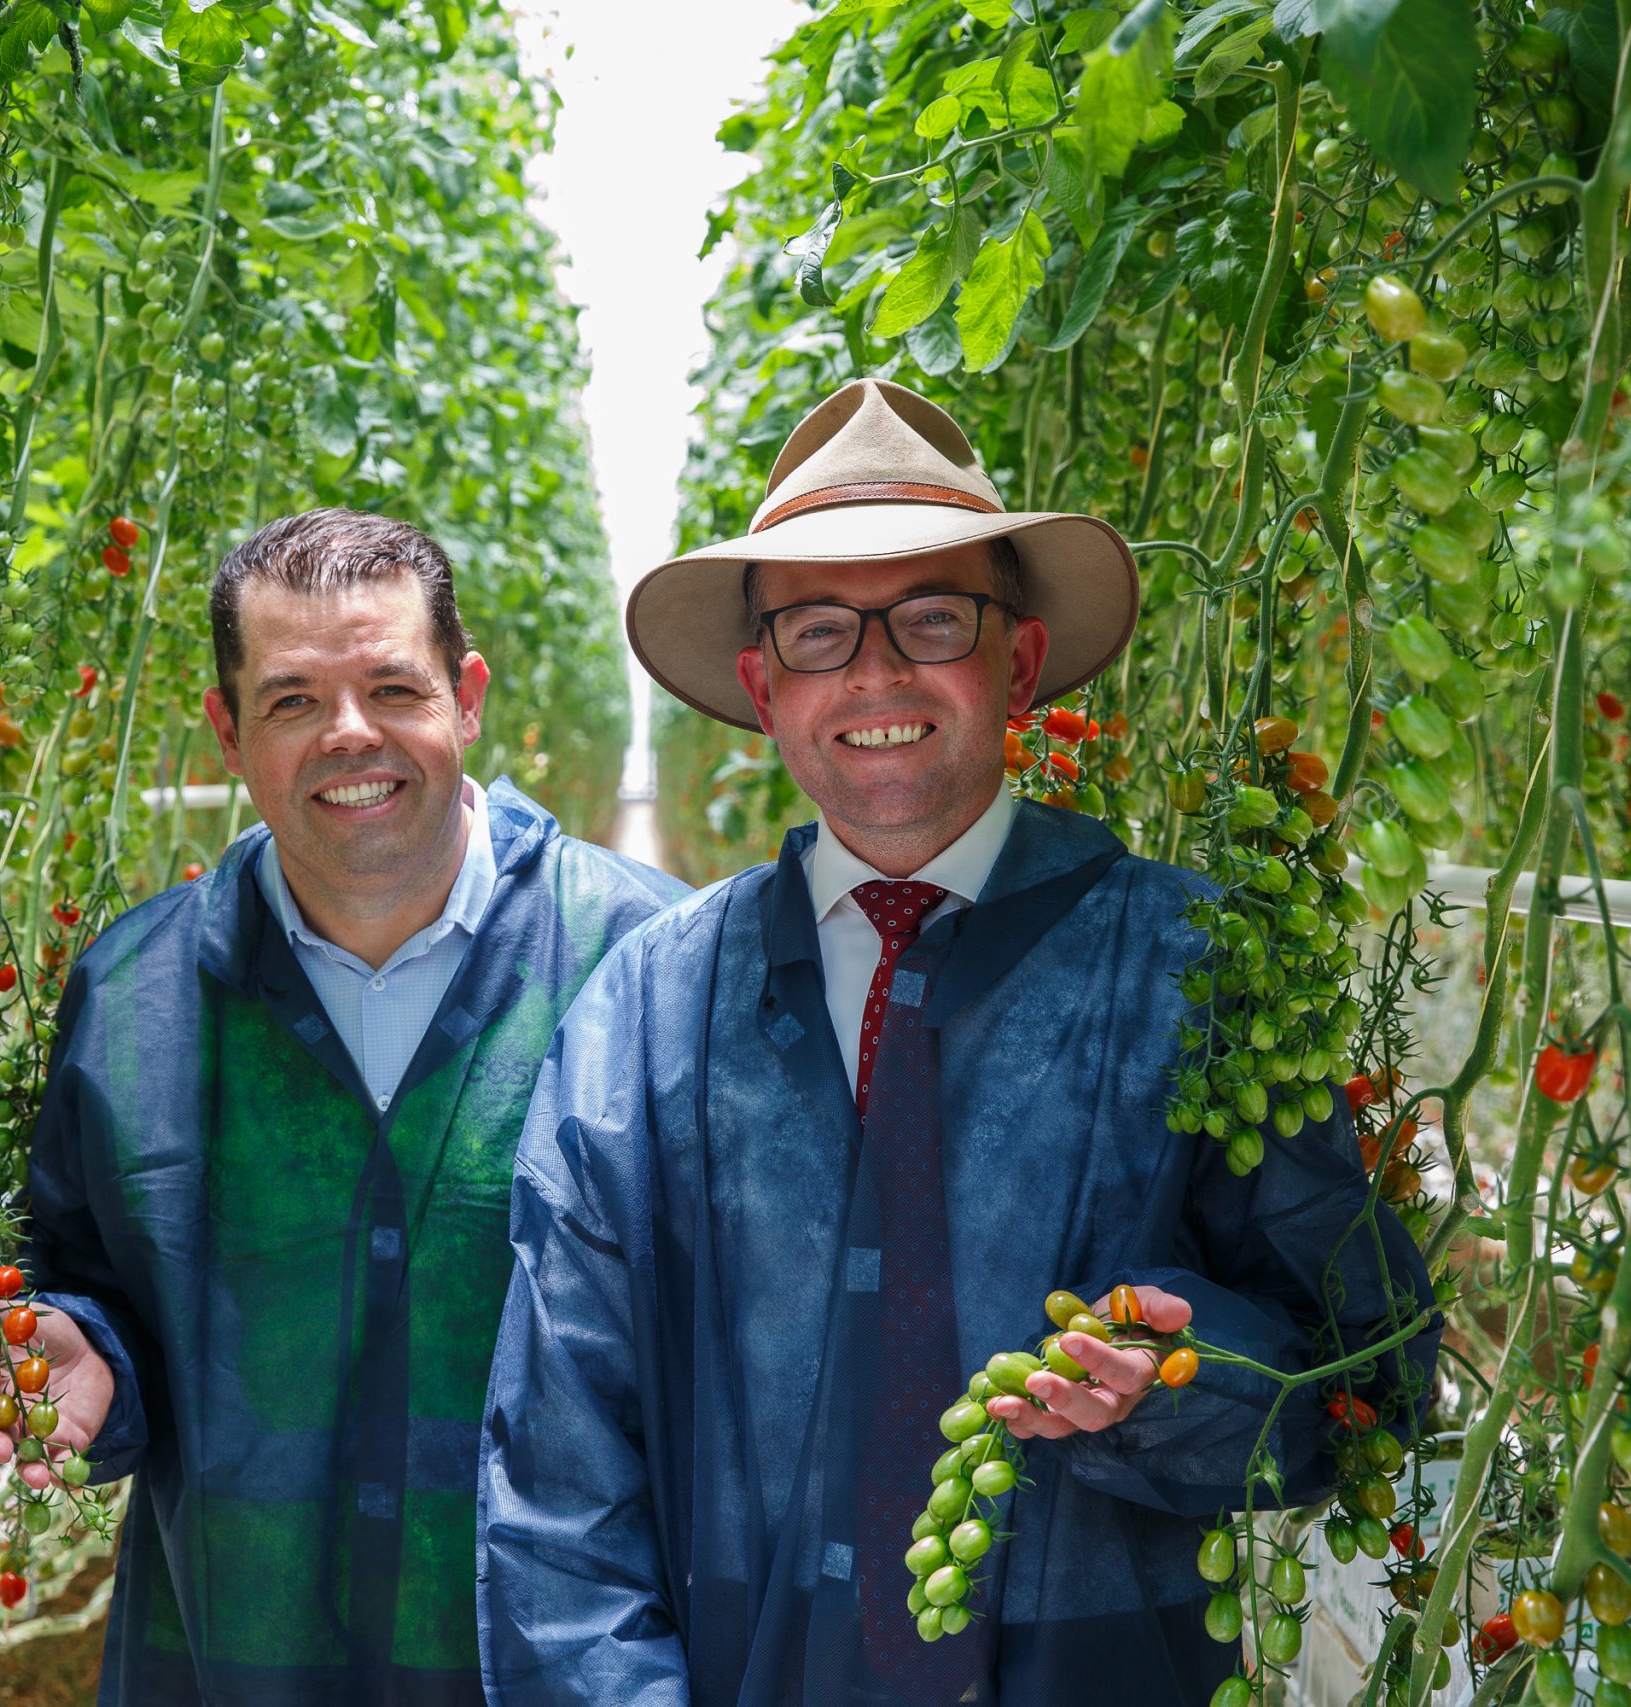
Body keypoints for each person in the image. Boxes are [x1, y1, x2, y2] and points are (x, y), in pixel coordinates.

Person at [475, 379, 1440, 1706]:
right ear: (763, 688)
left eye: (933, 618)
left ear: (1020, 662)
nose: (876, 673)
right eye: (819, 632)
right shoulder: (644, 1012)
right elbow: (556, 1473)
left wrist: (1178, 1377)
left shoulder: (1203, 971)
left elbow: (1369, 1377)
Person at [0, 508, 687, 1704]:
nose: (349, 737)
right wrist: (98, 1366)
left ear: (466, 696)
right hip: (232, 1662)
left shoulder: (648, 963)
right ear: (227, 731)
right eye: (290, 702)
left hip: (550, 1672)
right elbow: (87, 1278)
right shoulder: (133, 995)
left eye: (393, 687)